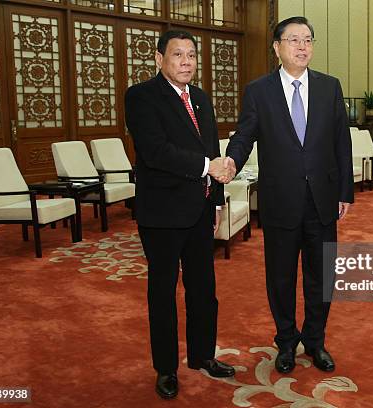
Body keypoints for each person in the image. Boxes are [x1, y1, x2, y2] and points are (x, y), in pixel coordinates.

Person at [225, 16, 354, 374]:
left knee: (321, 275)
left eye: (308, 40)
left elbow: (341, 143)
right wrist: (231, 162)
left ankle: (315, 340)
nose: (302, 46)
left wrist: (345, 191)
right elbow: (244, 136)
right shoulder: (259, 90)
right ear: (277, 47)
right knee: (280, 277)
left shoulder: (330, 87)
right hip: (280, 200)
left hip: (322, 199)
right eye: (294, 40)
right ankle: (286, 341)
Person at [124, 30, 236, 400]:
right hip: (162, 214)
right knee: (163, 292)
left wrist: (217, 201)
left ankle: (203, 355)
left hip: (200, 210)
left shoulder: (201, 98)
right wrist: (208, 167)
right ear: (159, 59)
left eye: (191, 55)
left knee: (204, 289)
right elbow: (155, 152)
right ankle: (166, 368)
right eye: (178, 55)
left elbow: (213, 149)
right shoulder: (141, 97)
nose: (186, 62)